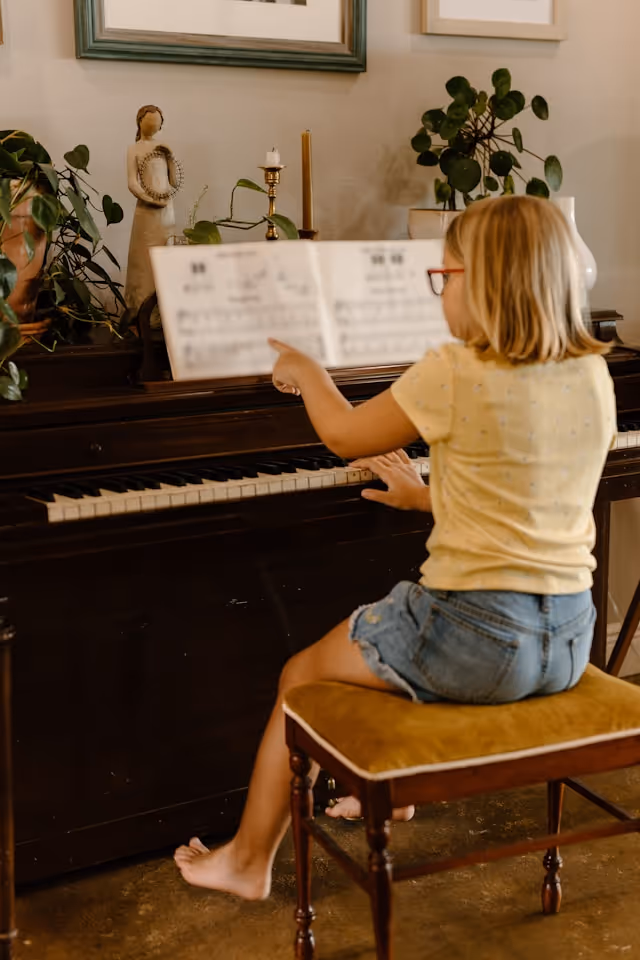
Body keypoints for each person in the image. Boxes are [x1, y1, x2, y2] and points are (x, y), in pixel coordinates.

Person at [174, 195, 617, 899]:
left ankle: (248, 861)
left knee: (303, 677)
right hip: (565, 640)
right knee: (399, 643)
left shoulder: (452, 368)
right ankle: (394, 790)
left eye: (447, 276)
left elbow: (347, 437)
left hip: (477, 643)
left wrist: (310, 373)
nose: (441, 290)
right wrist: (424, 496)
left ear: (487, 282)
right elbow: (526, 491)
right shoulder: (590, 373)